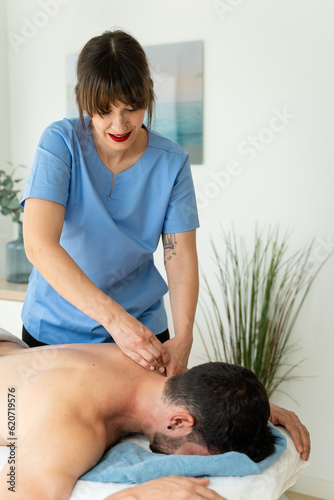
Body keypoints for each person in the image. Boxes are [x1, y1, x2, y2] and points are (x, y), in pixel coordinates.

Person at [21, 29, 200, 376]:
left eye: (131, 108)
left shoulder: (172, 162)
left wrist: (185, 336)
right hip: (54, 335)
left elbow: (179, 258)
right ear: (84, 101)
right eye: (104, 111)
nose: (119, 124)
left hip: (143, 337)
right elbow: (39, 244)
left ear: (147, 97)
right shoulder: (61, 144)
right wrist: (117, 322)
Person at [0, 335, 310, 500]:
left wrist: (251, 405)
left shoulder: (156, 365)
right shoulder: (71, 426)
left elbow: (216, 385)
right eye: (195, 457)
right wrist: (132, 497)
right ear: (178, 422)